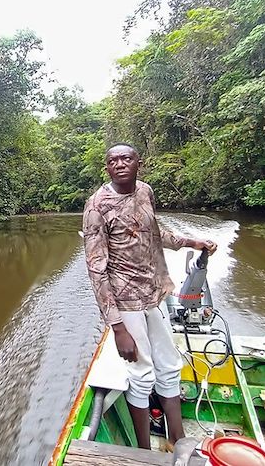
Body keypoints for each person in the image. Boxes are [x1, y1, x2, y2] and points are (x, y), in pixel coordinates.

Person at [82, 143, 217, 450]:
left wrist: (193, 242)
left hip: (153, 293)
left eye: (126, 158)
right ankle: (144, 450)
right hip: (124, 302)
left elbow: (154, 233)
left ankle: (177, 439)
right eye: (113, 160)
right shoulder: (97, 206)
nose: (119, 164)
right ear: (107, 168)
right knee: (141, 374)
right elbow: (96, 269)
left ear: (138, 164)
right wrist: (117, 329)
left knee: (169, 365)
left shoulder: (145, 192)